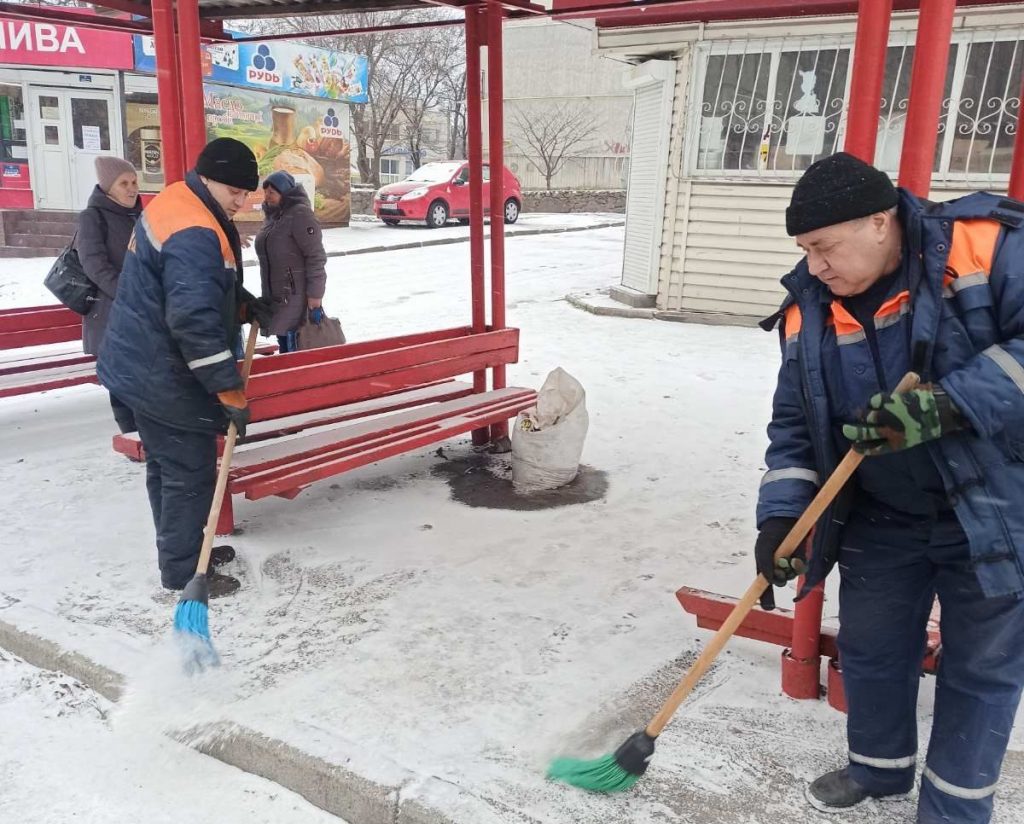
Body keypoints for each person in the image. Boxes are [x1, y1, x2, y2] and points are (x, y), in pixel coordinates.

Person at [755, 151, 1024, 824]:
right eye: (804, 251)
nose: (813, 265)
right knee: (872, 650)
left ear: (879, 223)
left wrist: (949, 403)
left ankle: (955, 811)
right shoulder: (806, 312)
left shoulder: (985, 245)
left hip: (993, 510)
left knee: (981, 669)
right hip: (882, 514)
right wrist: (781, 519)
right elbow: (794, 426)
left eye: (823, 247)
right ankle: (878, 769)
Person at [97, 138, 272, 599]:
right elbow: (192, 322)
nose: (242, 200)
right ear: (209, 178)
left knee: (168, 470)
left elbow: (186, 289)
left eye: (247, 191)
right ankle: (183, 572)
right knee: (187, 474)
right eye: (235, 190)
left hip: (142, 363)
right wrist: (228, 390)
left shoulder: (181, 200)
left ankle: (186, 551)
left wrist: (238, 306)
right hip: (162, 374)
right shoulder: (194, 227)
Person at [77, 155, 142, 433]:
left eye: (134, 181)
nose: (132, 188)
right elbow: (94, 264)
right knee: (121, 376)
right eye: (124, 183)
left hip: (141, 309)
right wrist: (127, 294)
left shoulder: (139, 216)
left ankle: (147, 432)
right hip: (111, 313)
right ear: (107, 187)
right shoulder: (93, 217)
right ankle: (131, 434)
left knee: (142, 374)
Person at [254, 170, 327, 353]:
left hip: (296, 296)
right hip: (277, 296)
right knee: (285, 345)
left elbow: (316, 255)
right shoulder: (273, 218)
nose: (267, 196)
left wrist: (315, 295)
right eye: (265, 192)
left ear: (285, 192)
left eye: (272, 192)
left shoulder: (299, 214)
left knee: (295, 348)